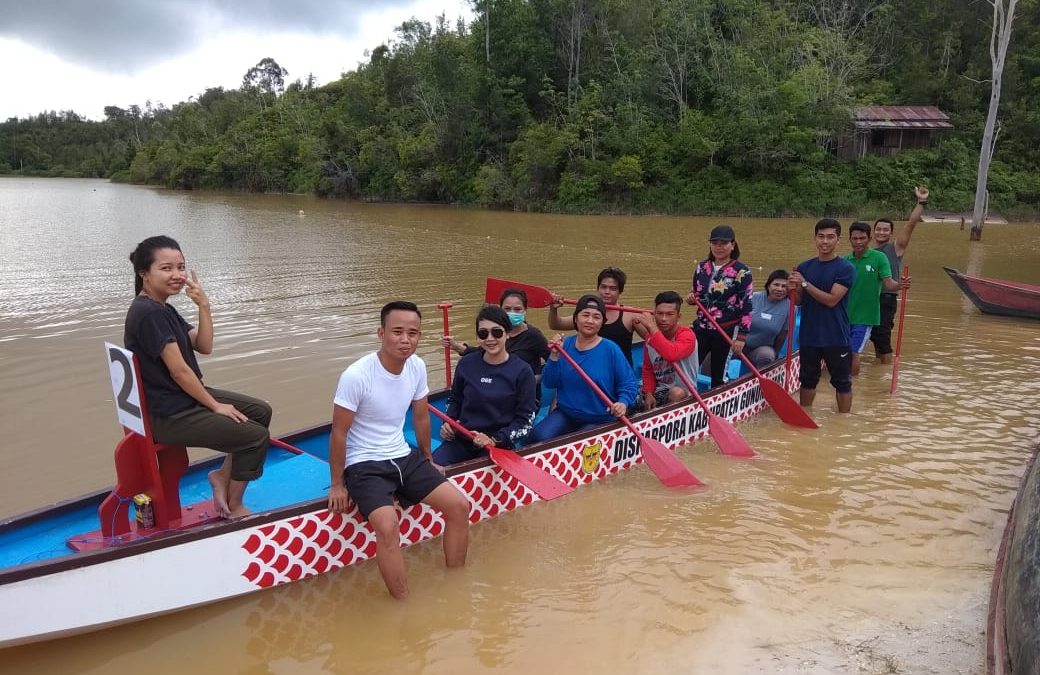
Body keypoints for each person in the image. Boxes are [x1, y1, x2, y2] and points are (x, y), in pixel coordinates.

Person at [327, 301, 470, 599]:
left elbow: (420, 416)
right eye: (397, 332)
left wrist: (428, 458)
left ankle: (457, 584)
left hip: (403, 456)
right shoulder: (356, 375)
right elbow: (339, 432)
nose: (405, 340)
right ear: (381, 333)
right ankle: (403, 602)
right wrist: (337, 485)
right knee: (388, 525)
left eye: (413, 333)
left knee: (459, 506)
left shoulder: (416, 366)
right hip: (363, 462)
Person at [125, 235, 272, 520]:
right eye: (166, 268)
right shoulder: (148, 313)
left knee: (259, 411)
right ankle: (235, 507)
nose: (177, 275)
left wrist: (204, 306)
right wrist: (215, 406)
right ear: (144, 273)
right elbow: (179, 372)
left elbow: (203, 345)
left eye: (180, 267)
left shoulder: (162, 308)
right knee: (255, 437)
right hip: (170, 414)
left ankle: (221, 477)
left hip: (181, 401)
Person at [434, 305, 538, 465]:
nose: (490, 338)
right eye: (483, 333)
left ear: (508, 334)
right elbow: (455, 400)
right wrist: (448, 422)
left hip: (497, 444)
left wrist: (495, 439)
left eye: (496, 332)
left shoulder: (523, 371)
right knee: (433, 468)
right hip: (463, 437)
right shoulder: (466, 363)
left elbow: (525, 422)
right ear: (478, 337)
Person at [530, 295, 640, 443]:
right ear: (576, 319)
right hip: (567, 412)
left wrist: (623, 402)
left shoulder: (611, 349)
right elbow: (549, 383)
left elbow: (628, 383)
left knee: (581, 444)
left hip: (600, 417)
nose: (590, 321)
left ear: (602, 323)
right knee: (538, 437)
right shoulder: (564, 345)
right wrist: (554, 356)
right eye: (585, 315)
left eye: (596, 317)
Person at [789, 219, 857, 413]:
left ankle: (843, 420)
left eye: (830, 237)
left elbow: (832, 300)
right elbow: (799, 301)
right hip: (810, 335)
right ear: (815, 238)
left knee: (842, 382)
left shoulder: (845, 268)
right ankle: (805, 414)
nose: (825, 241)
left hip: (836, 335)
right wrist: (790, 289)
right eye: (821, 237)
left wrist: (803, 284)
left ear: (838, 240)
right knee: (807, 380)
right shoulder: (804, 267)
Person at [686, 225, 753, 388]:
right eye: (715, 243)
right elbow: (697, 293)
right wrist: (691, 298)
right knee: (689, 369)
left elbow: (747, 305)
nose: (719, 247)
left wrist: (741, 337)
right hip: (701, 327)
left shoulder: (742, 271)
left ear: (733, 245)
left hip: (726, 330)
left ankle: (717, 402)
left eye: (724, 243)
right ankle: (684, 400)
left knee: (718, 374)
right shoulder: (701, 267)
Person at [870, 186, 927, 363]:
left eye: (885, 230)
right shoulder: (868, 253)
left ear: (891, 233)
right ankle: (879, 368)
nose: (881, 232)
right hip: (870, 298)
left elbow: (910, 225)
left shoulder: (895, 248)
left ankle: (885, 370)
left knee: (882, 336)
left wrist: (921, 202)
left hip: (886, 298)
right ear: (873, 232)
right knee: (873, 335)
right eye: (878, 229)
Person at [442, 287, 549, 380]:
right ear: (500, 310)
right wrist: (456, 346)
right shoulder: (494, 331)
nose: (512, 313)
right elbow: (482, 351)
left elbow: (553, 360)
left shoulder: (533, 336)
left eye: (517, 309)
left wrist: (532, 380)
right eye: (507, 309)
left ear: (525, 311)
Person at [845, 222, 903, 376]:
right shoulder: (845, 261)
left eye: (862, 238)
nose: (858, 242)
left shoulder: (879, 258)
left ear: (869, 239)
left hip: (865, 317)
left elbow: (888, 283)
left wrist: (900, 285)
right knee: (842, 353)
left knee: (853, 352)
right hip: (844, 316)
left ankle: (850, 387)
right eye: (855, 238)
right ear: (849, 239)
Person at [548, 267, 636, 366]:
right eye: (603, 287)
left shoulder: (630, 315)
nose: (607, 292)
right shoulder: (587, 312)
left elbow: (651, 337)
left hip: (620, 372)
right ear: (598, 288)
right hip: (591, 371)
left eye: (613, 288)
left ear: (620, 291)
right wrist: (553, 309)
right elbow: (556, 324)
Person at [632, 291, 698, 410]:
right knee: (628, 392)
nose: (663, 319)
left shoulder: (687, 335)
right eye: (660, 313)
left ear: (678, 316)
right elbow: (648, 369)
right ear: (655, 314)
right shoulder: (650, 339)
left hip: (683, 391)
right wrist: (648, 393)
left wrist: (651, 327)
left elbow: (671, 354)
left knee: (676, 393)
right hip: (659, 389)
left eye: (669, 314)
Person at [745, 270, 791, 369]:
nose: (780, 289)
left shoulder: (790, 307)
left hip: (762, 348)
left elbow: (782, 334)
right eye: (776, 285)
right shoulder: (753, 297)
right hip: (739, 343)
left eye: (784, 286)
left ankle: (759, 381)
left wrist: (775, 353)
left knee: (767, 356)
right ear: (768, 285)